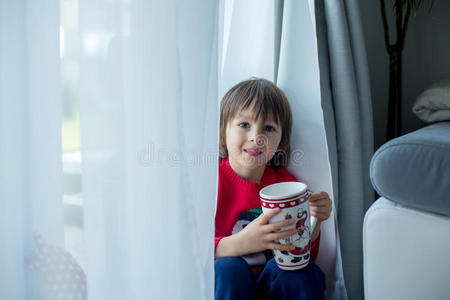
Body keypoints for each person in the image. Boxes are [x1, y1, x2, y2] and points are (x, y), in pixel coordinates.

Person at [215, 78, 332, 300]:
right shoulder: (213, 185)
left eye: (268, 128)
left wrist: (316, 220)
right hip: (230, 285)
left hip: (272, 286)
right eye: (244, 125)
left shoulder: (287, 186)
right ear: (223, 133)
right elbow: (193, 251)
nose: (256, 137)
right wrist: (239, 243)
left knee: (301, 271)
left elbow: (301, 251)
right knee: (227, 269)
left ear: (280, 142)